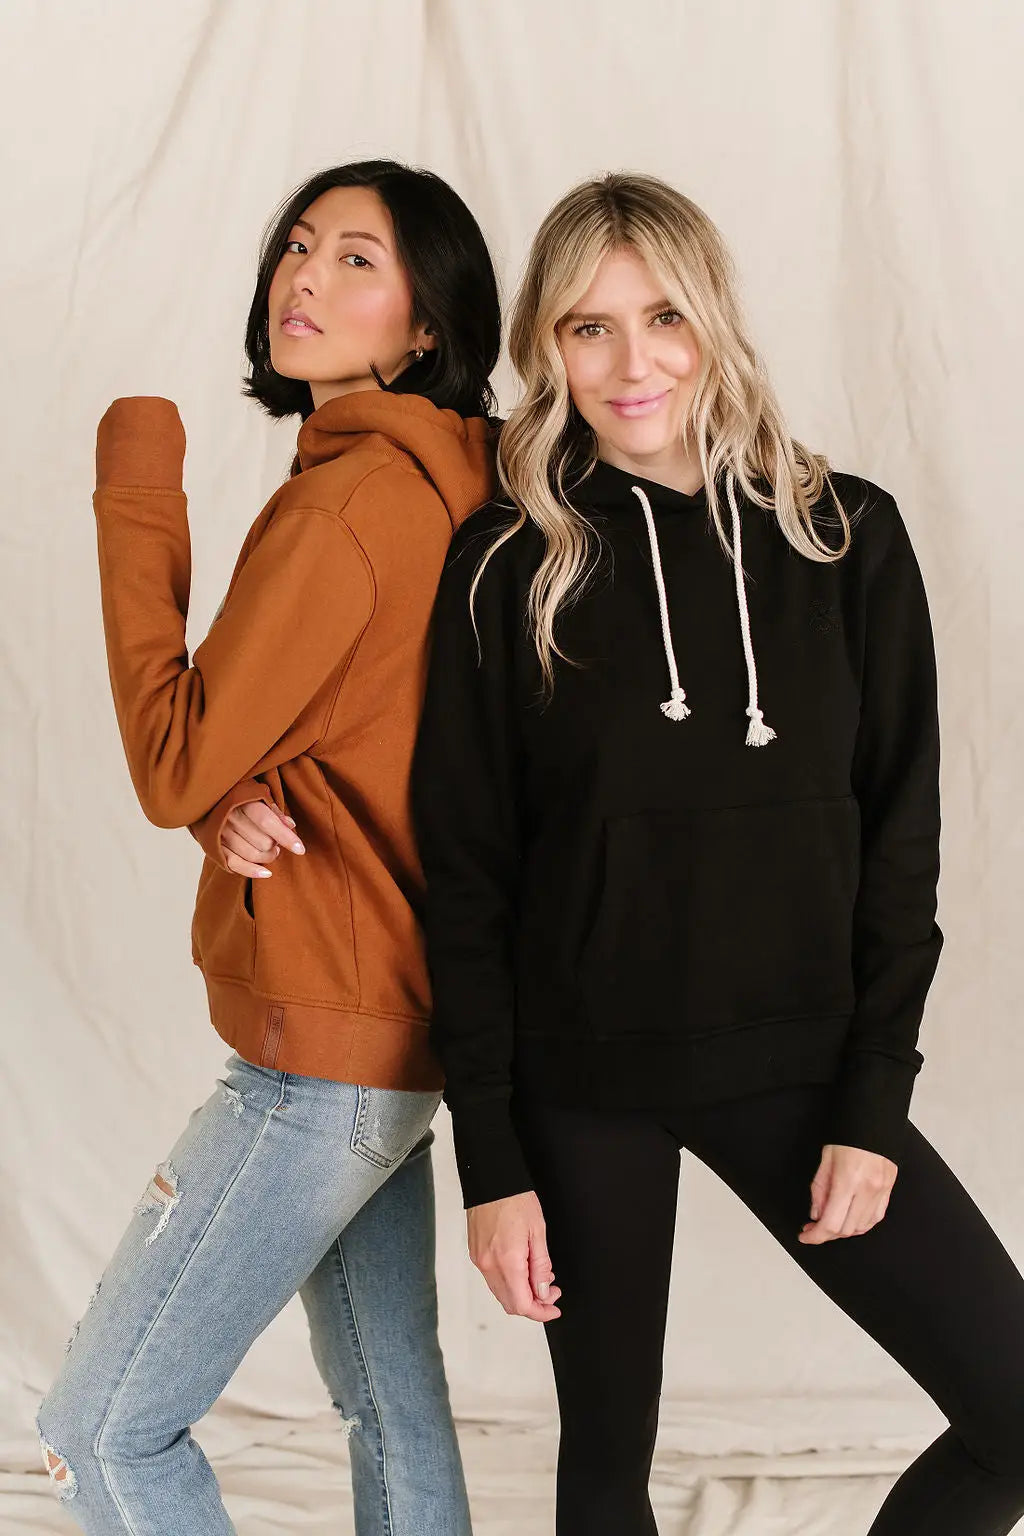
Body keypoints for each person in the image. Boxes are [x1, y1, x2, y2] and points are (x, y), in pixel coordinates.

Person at [412, 171, 1024, 1536]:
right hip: (582, 1078)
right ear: (545, 347)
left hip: (799, 1063)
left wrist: (873, 1105)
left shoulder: (843, 534)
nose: (633, 364)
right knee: (605, 1467)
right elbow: (468, 876)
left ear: (716, 321)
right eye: (589, 327)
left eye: (665, 317)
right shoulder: (506, 563)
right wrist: (492, 1161)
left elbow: (903, 843)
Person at [37, 158, 499, 1536]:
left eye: (358, 258)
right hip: (396, 1028)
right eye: (299, 245)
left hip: (317, 1058)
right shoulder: (441, 484)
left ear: (427, 323)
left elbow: (173, 759)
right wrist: (237, 790)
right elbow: (356, 732)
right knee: (390, 1412)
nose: (306, 276)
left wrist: (136, 482)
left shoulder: (342, 509)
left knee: (102, 1433)